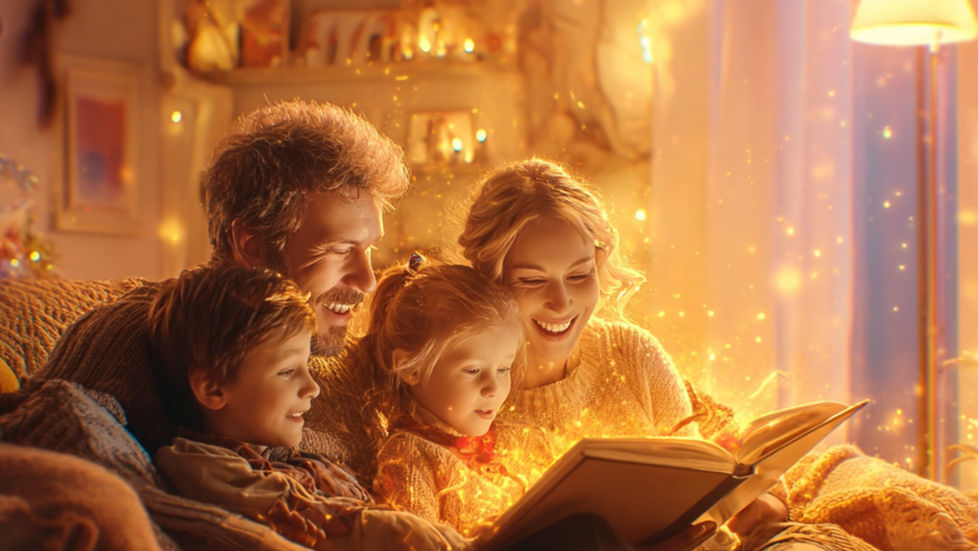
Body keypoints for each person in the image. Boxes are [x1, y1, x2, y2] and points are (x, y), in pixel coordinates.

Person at [458, 158, 978, 551]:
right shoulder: (465, 385)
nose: (562, 303)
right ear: (488, 277)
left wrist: (756, 501)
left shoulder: (632, 352)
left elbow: (697, 478)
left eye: (579, 276)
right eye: (531, 281)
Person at [37, 99, 403, 478]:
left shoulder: (342, 355)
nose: (367, 280)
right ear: (252, 245)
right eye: (340, 249)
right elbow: (46, 450)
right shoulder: (143, 333)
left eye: (369, 248)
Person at [146, 264, 470, 550]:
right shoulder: (195, 463)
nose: (312, 387)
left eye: (306, 366)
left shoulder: (305, 463)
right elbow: (311, 521)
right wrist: (406, 532)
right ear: (213, 389)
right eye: (288, 372)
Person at [357, 255, 554, 538]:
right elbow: (418, 543)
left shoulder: (519, 440)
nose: (493, 388)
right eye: (473, 370)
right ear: (410, 368)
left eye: (503, 369)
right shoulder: (410, 457)